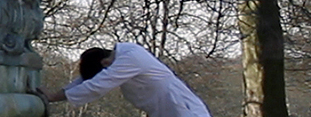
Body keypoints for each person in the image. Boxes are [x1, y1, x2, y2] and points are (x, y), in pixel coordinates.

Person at [39, 43, 211, 117]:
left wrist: (54, 97)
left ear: (105, 63)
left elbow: (97, 85)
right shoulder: (122, 60)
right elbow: (87, 80)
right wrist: (57, 93)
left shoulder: (131, 58)